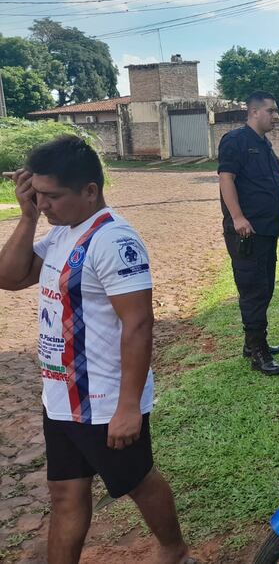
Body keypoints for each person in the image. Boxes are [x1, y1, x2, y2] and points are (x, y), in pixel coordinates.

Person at [0, 136, 193, 564]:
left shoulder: (113, 240)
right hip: (61, 398)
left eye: (52, 196)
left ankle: (174, 551)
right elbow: (9, 277)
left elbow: (139, 324)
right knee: (65, 494)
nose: (45, 204)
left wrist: (128, 407)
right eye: (39, 195)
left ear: (90, 190)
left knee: (138, 481)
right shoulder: (61, 235)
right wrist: (27, 216)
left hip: (104, 400)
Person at [218, 91, 279, 376]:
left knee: (266, 286)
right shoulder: (235, 141)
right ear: (255, 112)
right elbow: (226, 179)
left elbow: (266, 187)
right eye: (271, 111)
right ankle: (257, 350)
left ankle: (254, 342)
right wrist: (237, 217)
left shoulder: (265, 145)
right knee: (253, 290)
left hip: (266, 230)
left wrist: (276, 220)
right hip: (247, 233)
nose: (275, 116)